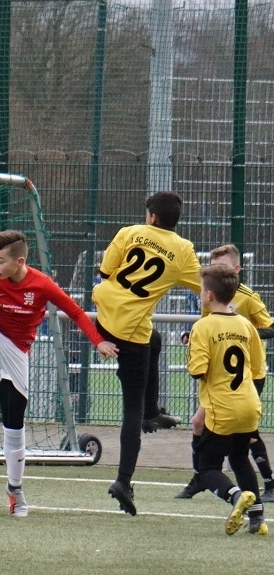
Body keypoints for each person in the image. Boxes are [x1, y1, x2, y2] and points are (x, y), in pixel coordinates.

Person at [0, 230, 118, 517]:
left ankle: (15, 489)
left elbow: (75, 311)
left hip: (15, 352)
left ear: (19, 261)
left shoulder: (42, 284)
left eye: (0, 261)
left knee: (14, 421)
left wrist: (98, 341)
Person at [91, 191, 201, 515]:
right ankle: (123, 481)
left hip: (104, 315)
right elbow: (206, 287)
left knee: (156, 338)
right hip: (130, 331)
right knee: (132, 409)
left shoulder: (129, 232)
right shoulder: (183, 250)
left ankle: (152, 411)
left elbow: (106, 272)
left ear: (152, 216)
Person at [176, 244, 274, 502]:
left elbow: (269, 328)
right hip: (233, 378)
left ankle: (264, 482)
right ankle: (203, 478)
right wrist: (192, 336)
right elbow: (205, 330)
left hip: (241, 379)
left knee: (242, 440)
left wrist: (238, 334)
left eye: (221, 267)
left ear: (236, 269)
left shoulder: (246, 300)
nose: (216, 270)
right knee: (200, 423)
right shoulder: (214, 306)